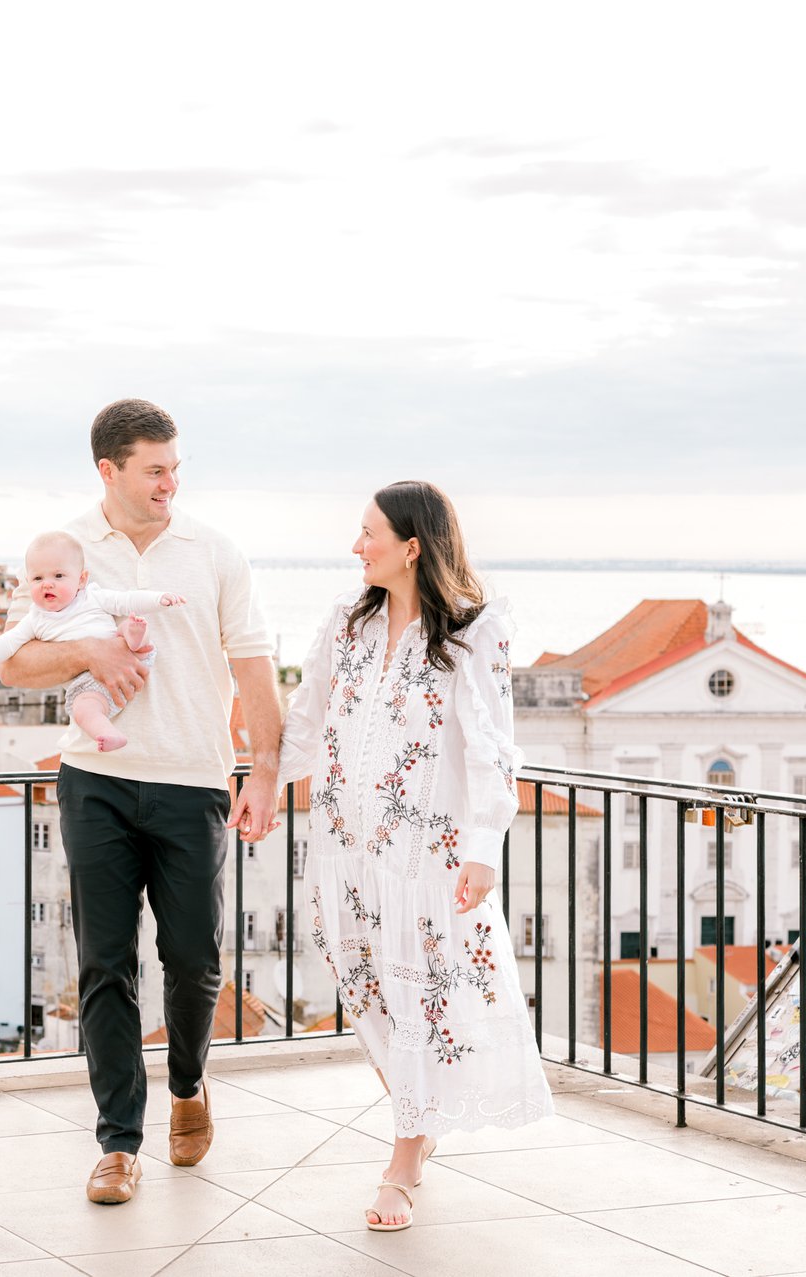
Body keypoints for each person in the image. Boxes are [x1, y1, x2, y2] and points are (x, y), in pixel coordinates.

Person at [0, 399, 280, 1205]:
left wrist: (264, 771)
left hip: (194, 781)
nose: (170, 482)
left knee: (194, 959)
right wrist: (88, 647)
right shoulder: (64, 552)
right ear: (109, 470)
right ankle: (118, 1142)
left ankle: (188, 1084)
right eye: (155, 469)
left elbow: (254, 666)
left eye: (174, 468)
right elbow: (15, 666)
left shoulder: (214, 551)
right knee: (105, 963)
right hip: (96, 781)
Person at [277, 480, 551, 1233]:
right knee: (366, 992)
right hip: (345, 849)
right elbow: (307, 716)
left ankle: (403, 1160)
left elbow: (493, 746)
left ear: (411, 546)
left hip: (424, 858)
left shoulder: (473, 631)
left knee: (418, 1000)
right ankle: (420, 1117)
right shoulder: (349, 622)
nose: (356, 546)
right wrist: (264, 786)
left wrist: (483, 849)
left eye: (368, 533)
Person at [0, 530, 185, 752]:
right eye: (38, 579)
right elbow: (8, 642)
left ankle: (135, 634)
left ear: (81, 580)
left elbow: (127, 600)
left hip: (132, 657)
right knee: (83, 709)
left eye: (58, 576)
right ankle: (108, 734)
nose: (47, 584)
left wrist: (159, 599)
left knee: (129, 625)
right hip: (89, 685)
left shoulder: (93, 597)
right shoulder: (34, 619)